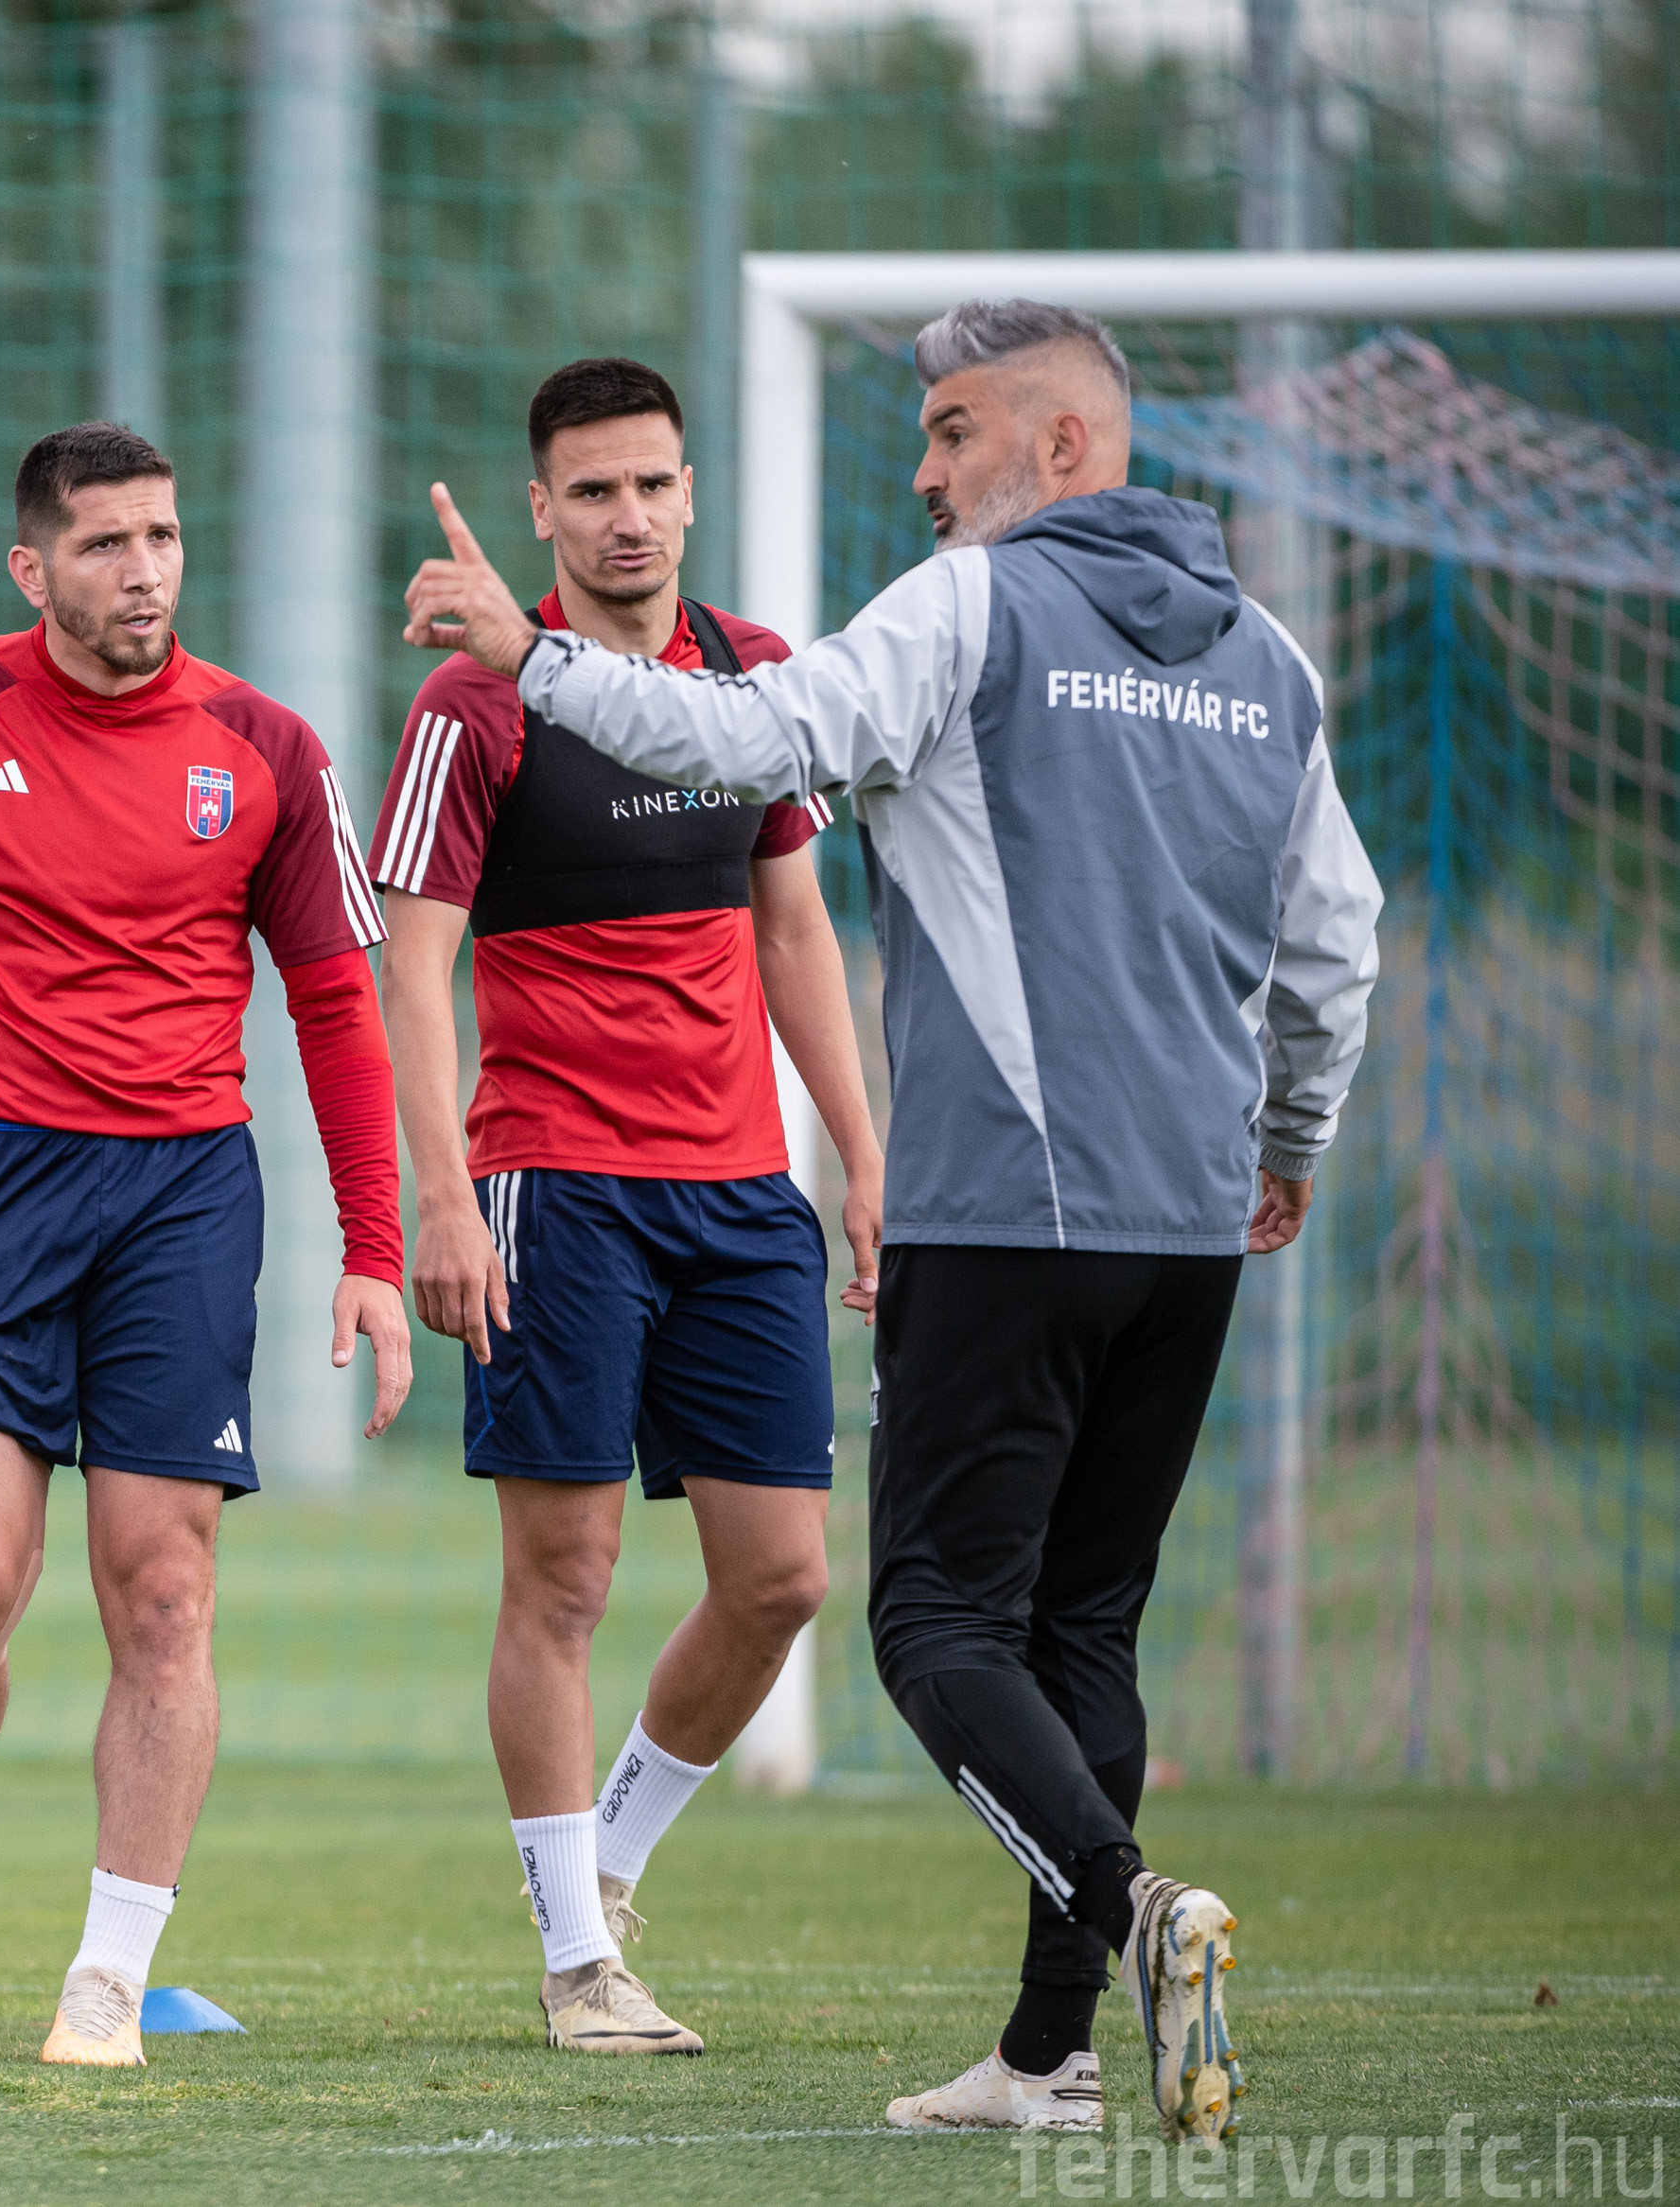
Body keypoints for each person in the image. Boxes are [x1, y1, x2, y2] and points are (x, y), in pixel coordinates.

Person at [397, 299, 1381, 2142]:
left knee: (928, 1623)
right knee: (1083, 1629)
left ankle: (1133, 1912)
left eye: (951, 433)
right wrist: (1290, 1135)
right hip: (1190, 1230)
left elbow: (758, 745)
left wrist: (535, 658)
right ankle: (1041, 2054)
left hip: (999, 1212)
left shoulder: (969, 609)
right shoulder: (1265, 655)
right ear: (548, 504)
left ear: (1060, 445)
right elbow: (1337, 937)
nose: (923, 472)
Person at [0, 422, 411, 2068]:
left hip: (183, 1196)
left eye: (164, 537)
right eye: (107, 543)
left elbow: (336, 1002)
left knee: (167, 1594)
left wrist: (374, 1238)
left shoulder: (267, 746)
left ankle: (110, 1975)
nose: (145, 571)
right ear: (33, 567)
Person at [369, 358, 882, 2058]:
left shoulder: (749, 673)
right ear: (543, 510)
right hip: (555, 1186)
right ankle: (579, 1959)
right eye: (592, 490)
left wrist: (860, 1151)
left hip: (740, 1192)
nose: (629, 517)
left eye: (653, 483)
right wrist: (442, 1193)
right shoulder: (475, 704)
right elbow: (412, 972)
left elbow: (795, 929)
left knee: (784, 1577)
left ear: (689, 489)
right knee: (566, 1573)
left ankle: (607, 1860)